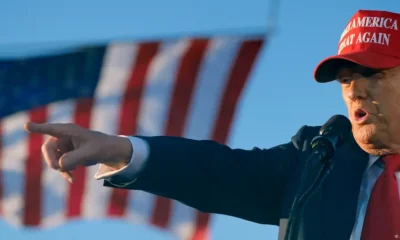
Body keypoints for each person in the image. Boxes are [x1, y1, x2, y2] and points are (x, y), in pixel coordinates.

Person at [24, 9, 400, 240]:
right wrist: (120, 148)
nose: (355, 91)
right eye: (346, 79)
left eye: (373, 73)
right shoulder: (318, 158)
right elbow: (219, 172)